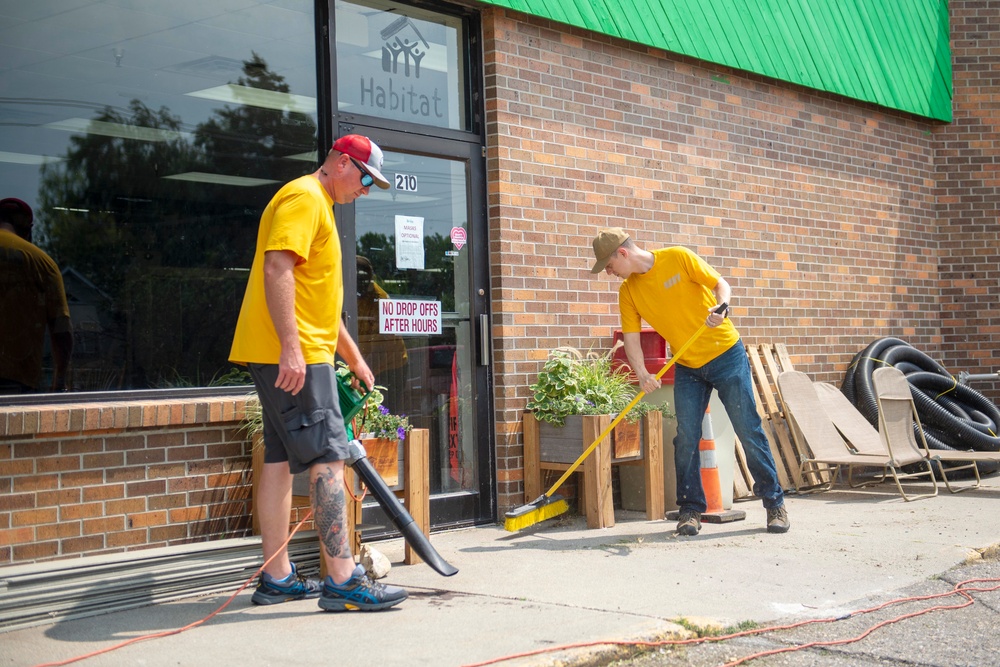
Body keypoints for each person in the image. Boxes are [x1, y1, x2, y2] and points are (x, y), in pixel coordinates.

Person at [230, 134, 408, 611]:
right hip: (295, 356)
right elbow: (277, 269)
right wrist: (292, 348)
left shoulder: (318, 205)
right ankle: (344, 581)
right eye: (367, 179)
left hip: (294, 352)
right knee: (329, 459)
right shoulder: (304, 196)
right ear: (344, 164)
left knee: (277, 460)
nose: (366, 190)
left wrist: (352, 356)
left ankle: (277, 577)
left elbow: (319, 302)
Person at [590, 227, 789, 535]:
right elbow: (630, 338)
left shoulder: (678, 258)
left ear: (622, 253)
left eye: (609, 265)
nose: (609, 272)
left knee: (747, 429)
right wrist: (641, 374)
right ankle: (690, 510)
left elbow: (721, 284)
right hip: (686, 364)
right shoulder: (628, 292)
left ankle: (774, 504)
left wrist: (721, 307)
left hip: (724, 353)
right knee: (686, 438)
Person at [0, 197, 73, 394]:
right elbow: (62, 329)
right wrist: (59, 381)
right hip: (15, 381)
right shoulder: (42, 263)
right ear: (26, 227)